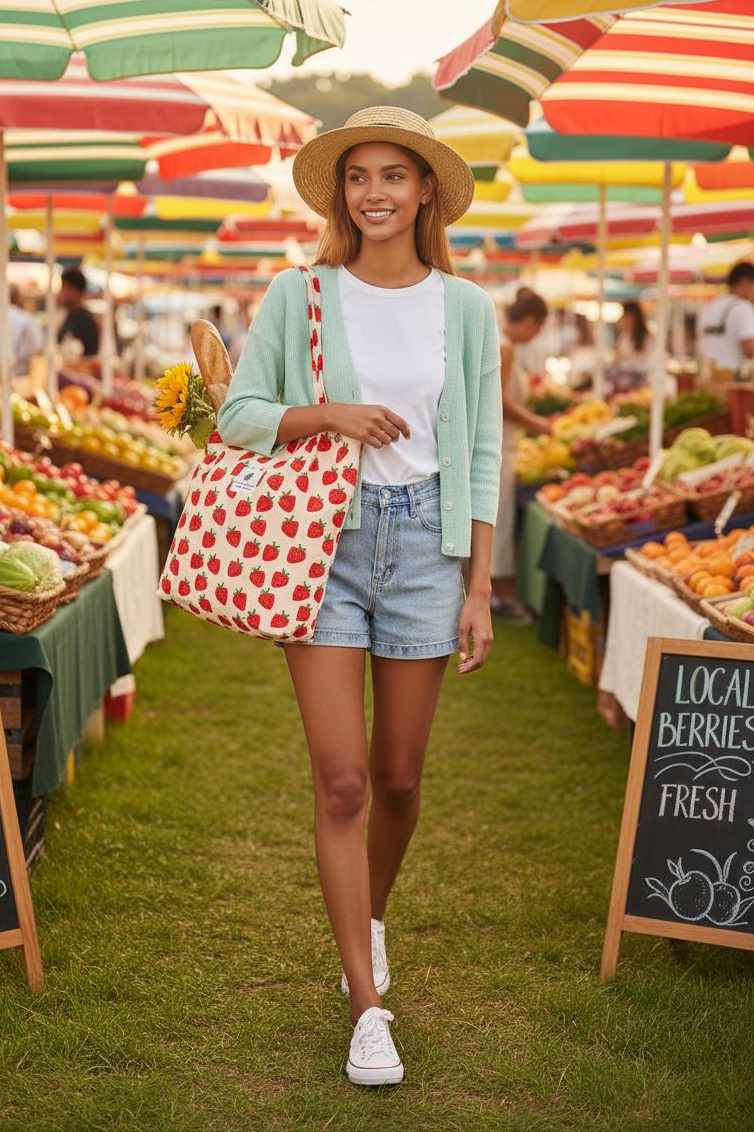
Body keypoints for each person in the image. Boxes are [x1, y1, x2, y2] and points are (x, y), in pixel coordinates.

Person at [217, 108, 502, 1087]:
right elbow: (239, 412)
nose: (374, 192)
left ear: (425, 191)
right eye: (357, 177)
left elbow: (481, 449)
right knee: (338, 780)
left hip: (427, 545)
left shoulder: (464, 308)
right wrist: (325, 412)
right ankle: (364, 1005)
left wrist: (477, 586)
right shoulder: (298, 292)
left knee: (397, 779)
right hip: (322, 546)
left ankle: (366, 917)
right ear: (340, 194)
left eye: (394, 175)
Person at [491, 287, 550, 624]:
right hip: (499, 445)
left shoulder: (501, 342)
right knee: (498, 525)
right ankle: (501, 595)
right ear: (528, 321)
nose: (536, 335)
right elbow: (498, 401)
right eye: (538, 328)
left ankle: (497, 592)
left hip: (503, 443)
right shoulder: (506, 346)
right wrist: (536, 423)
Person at [698, 261, 754, 374]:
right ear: (746, 283)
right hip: (730, 378)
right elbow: (750, 349)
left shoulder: (711, 306)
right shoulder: (742, 307)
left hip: (706, 377)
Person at [609, 300, 656, 393]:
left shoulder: (647, 336)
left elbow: (648, 361)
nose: (625, 319)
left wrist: (625, 357)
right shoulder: (625, 335)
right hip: (623, 378)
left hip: (639, 380)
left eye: (628, 316)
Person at [57, 266, 99, 358]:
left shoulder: (86, 321)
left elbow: (90, 357)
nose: (61, 293)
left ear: (75, 290)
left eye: (64, 288)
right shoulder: (68, 317)